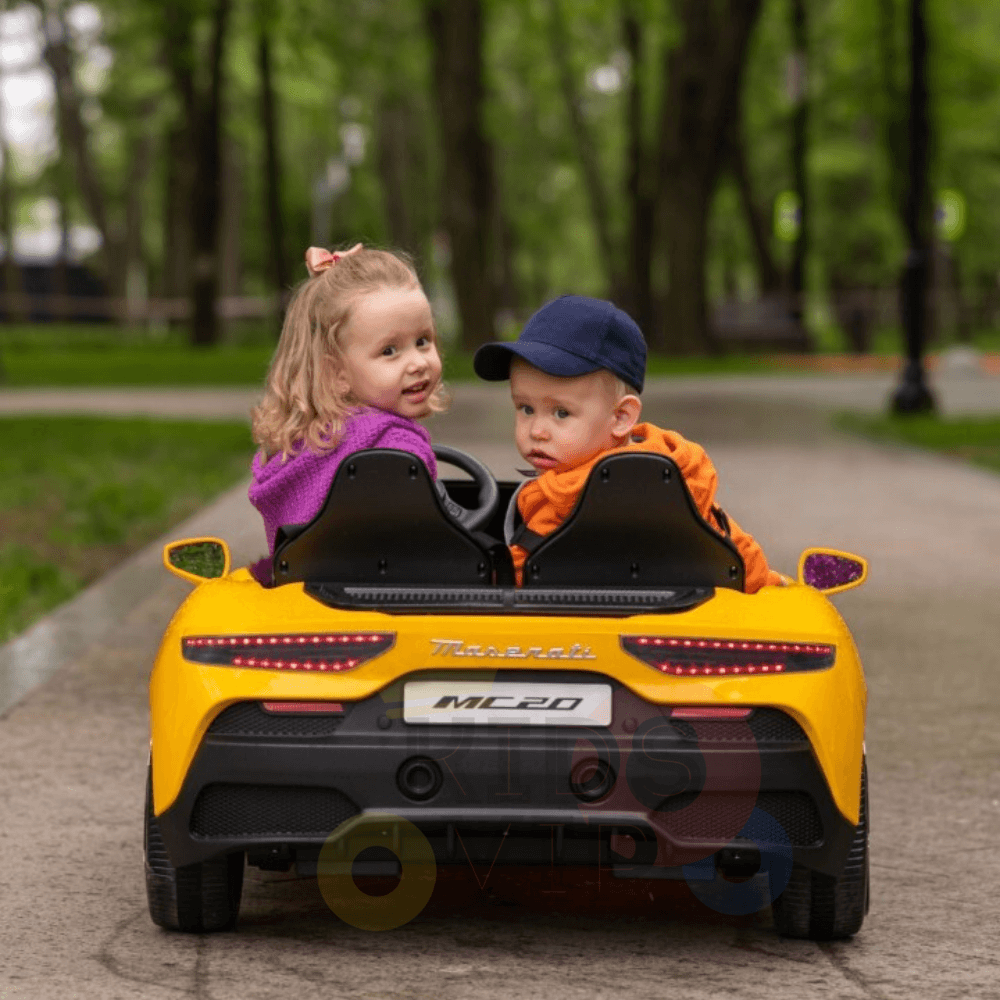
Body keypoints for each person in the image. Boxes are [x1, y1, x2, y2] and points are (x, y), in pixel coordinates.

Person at [473, 295, 784, 591]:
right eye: (526, 409)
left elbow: (514, 580)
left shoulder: (562, 498)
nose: (537, 430)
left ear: (621, 417)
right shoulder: (677, 476)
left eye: (561, 412)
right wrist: (771, 583)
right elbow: (735, 553)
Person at [248, 244, 446, 584]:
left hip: (302, 592)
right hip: (377, 607)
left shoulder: (302, 443)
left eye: (423, 341)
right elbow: (424, 549)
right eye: (389, 350)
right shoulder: (395, 447)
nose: (417, 362)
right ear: (336, 373)